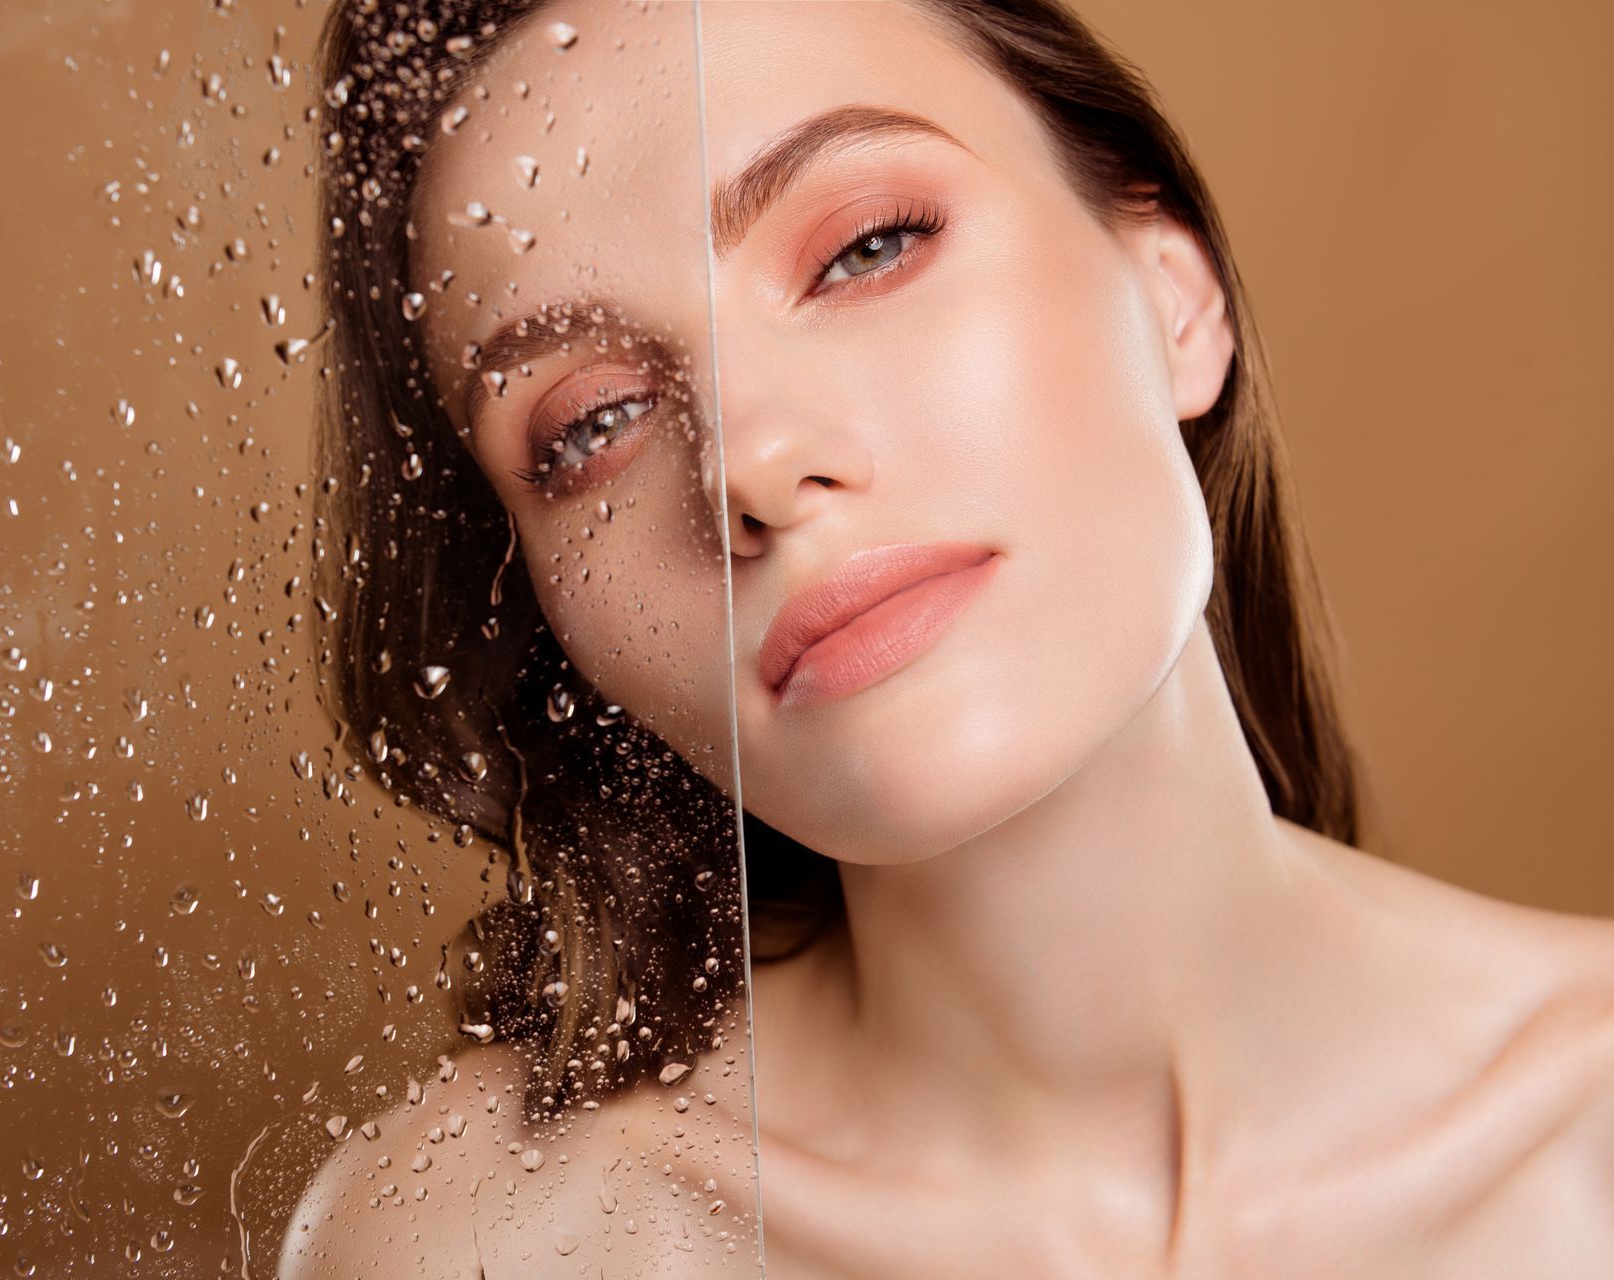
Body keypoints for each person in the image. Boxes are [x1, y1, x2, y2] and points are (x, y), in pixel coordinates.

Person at [282, 1, 1614, 1275]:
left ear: (1175, 295)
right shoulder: (478, 1242)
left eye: (868, 247)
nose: (754, 464)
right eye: (588, 426)